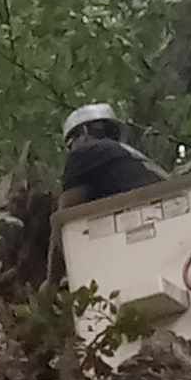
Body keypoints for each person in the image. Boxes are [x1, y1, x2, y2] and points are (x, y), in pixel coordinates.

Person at [47, 103, 169, 283]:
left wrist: (51, 281)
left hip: (132, 240)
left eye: (71, 144)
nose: (72, 150)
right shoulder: (134, 158)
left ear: (85, 132)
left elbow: (65, 221)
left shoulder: (85, 152)